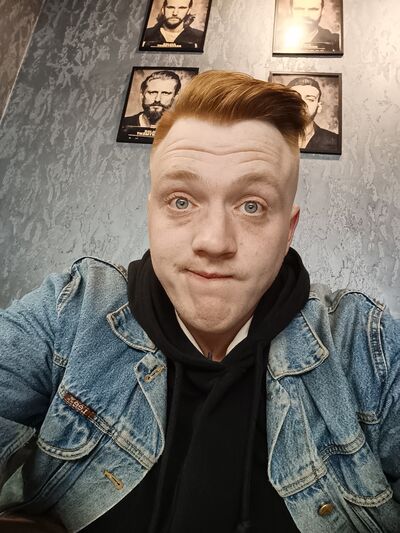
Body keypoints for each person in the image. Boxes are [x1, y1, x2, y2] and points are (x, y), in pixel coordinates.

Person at [0, 71, 399, 533]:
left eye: (252, 205)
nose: (213, 242)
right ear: (151, 213)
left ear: (288, 231)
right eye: (181, 201)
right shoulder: (73, 308)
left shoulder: (364, 343)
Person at [287, 76, 339, 152]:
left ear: (319, 107)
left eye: (310, 99)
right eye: (295, 98)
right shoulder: (274, 137)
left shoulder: (334, 141)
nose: (302, 103)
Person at [275, 0, 340, 53]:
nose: (306, 15)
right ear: (290, 10)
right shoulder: (276, 39)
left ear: (322, 11)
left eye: (313, 9)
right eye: (299, 9)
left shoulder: (335, 42)